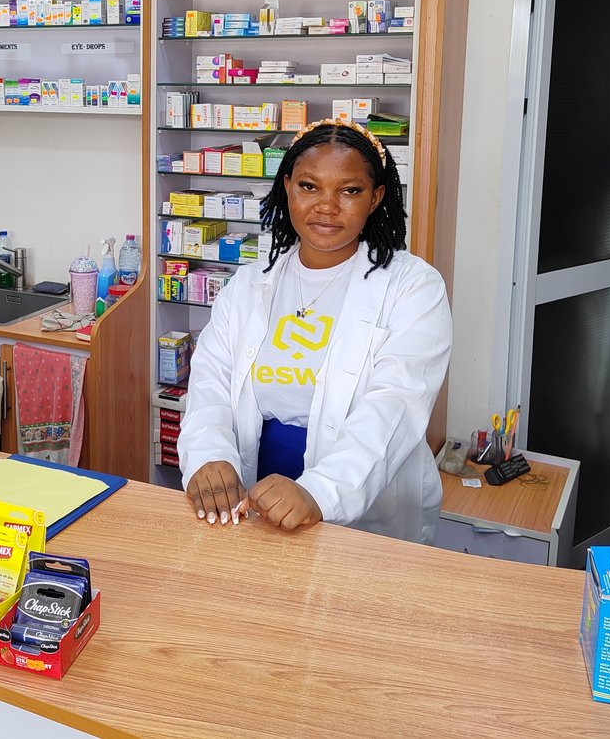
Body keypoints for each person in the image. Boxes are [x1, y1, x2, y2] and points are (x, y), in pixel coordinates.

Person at [176, 119, 453, 543]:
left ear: (376, 197)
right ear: (287, 187)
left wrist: (321, 490)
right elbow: (210, 382)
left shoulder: (413, 286)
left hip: (362, 497)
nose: (326, 206)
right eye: (309, 186)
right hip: (256, 491)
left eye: (349, 190)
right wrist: (210, 456)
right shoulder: (250, 284)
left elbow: (395, 405)